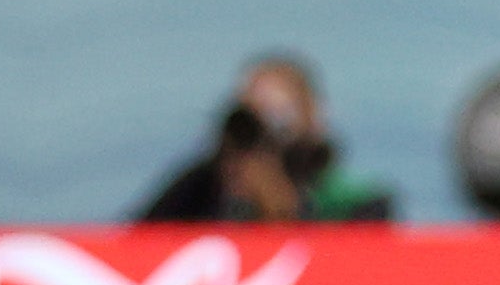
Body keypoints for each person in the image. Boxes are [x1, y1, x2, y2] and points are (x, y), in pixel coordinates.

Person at [138, 53, 395, 222]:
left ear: (314, 116)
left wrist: (280, 201)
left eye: (281, 116)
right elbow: (134, 246)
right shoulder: (200, 188)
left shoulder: (356, 201)